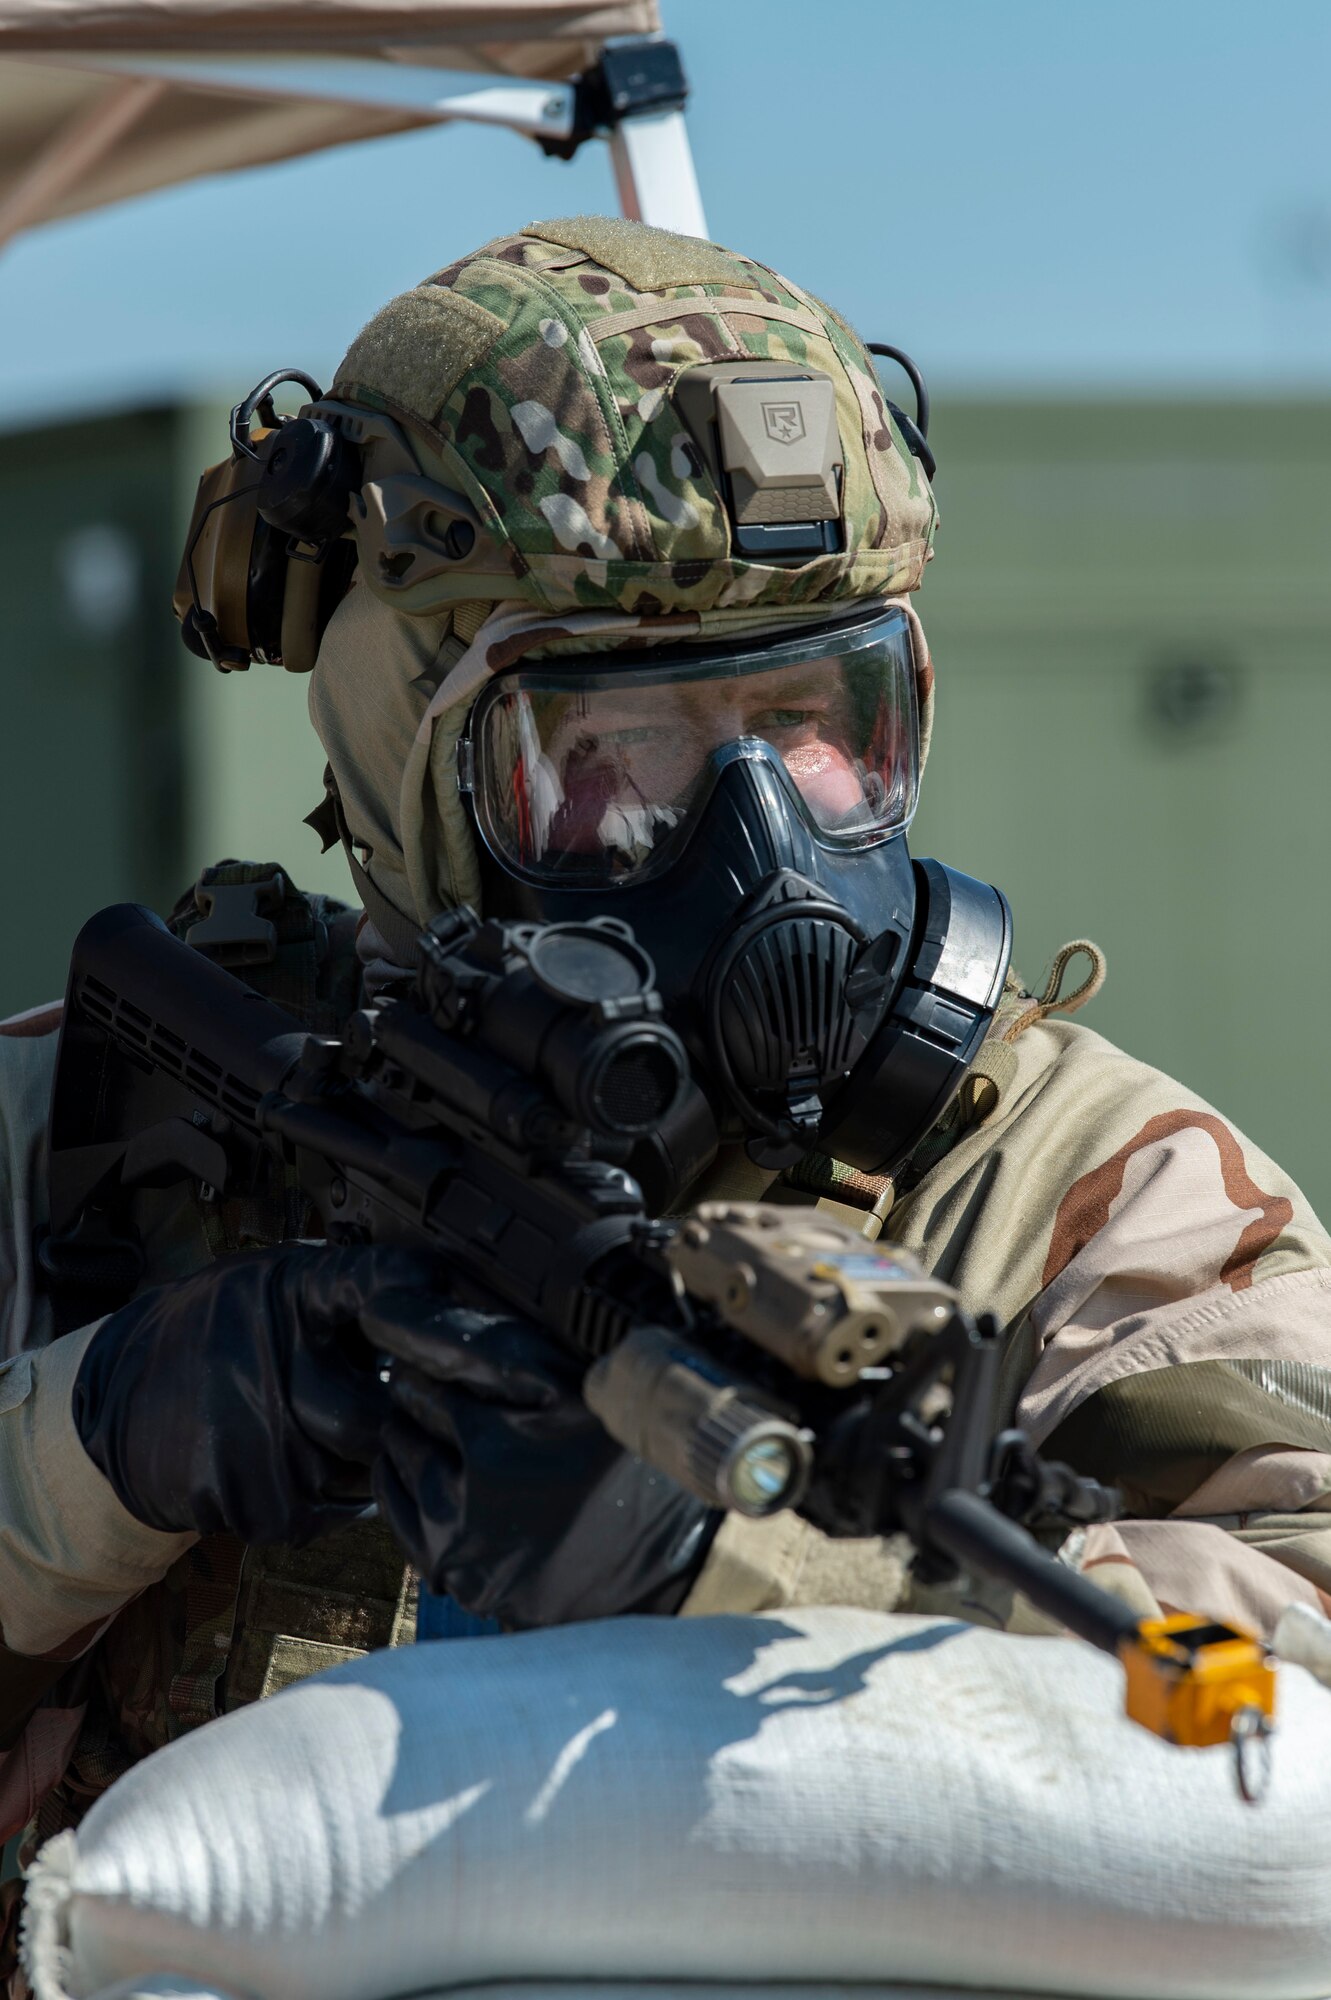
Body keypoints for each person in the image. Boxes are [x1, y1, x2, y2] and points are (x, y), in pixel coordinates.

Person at [0, 214, 1328, 1933]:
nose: (762, 848)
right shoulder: (85, 1132)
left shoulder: (1086, 1188)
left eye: (819, 728)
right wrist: (103, 1437)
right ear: (412, 762)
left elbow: (1286, 1729)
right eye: (618, 754)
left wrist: (745, 1567)